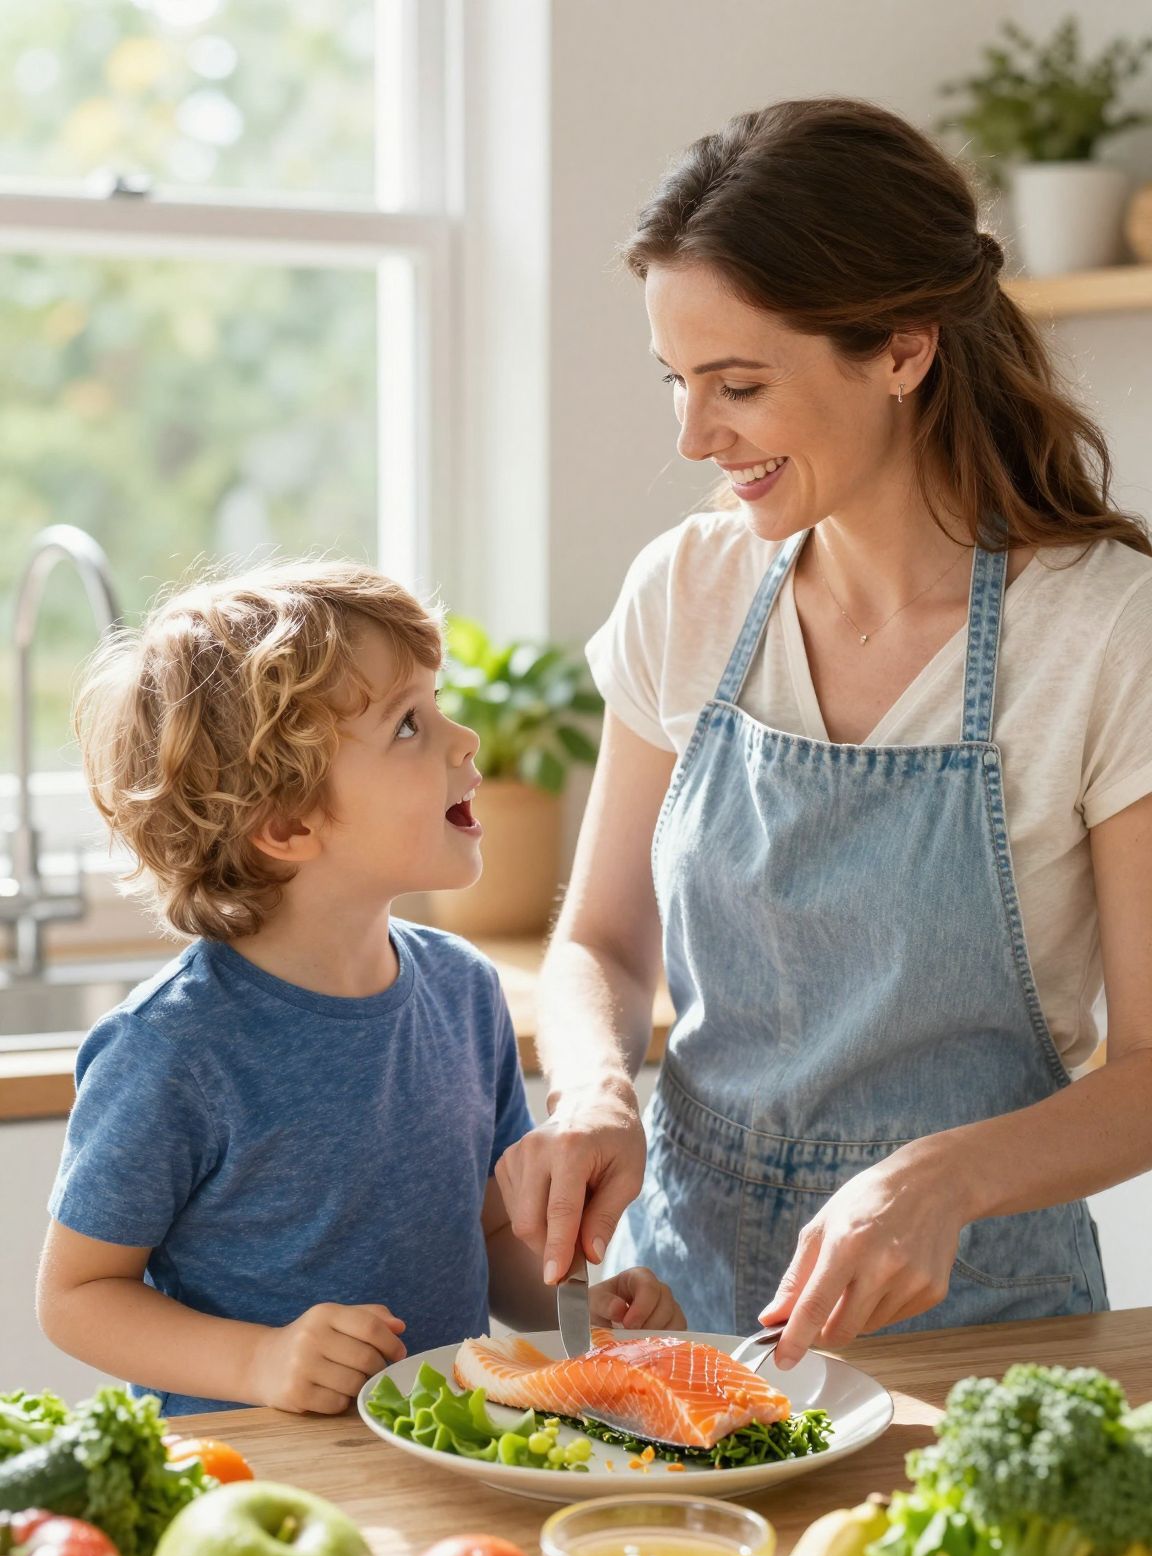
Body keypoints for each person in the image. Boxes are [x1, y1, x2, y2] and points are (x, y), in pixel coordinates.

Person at [496, 98, 1152, 1372]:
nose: (695, 437)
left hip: (983, 1331)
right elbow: (600, 939)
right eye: (679, 384)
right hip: (685, 1308)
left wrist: (943, 1179)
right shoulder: (686, 590)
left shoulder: (1103, 634)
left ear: (903, 349)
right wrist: (593, 1088)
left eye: (739, 386)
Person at [37, 563, 682, 1418]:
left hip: (441, 1460)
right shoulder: (172, 1049)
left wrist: (582, 1316)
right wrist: (261, 1361)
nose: (465, 741)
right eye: (409, 725)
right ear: (288, 824)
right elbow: (77, 1296)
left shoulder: (463, 992)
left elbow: (487, 1234)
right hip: (255, 1484)